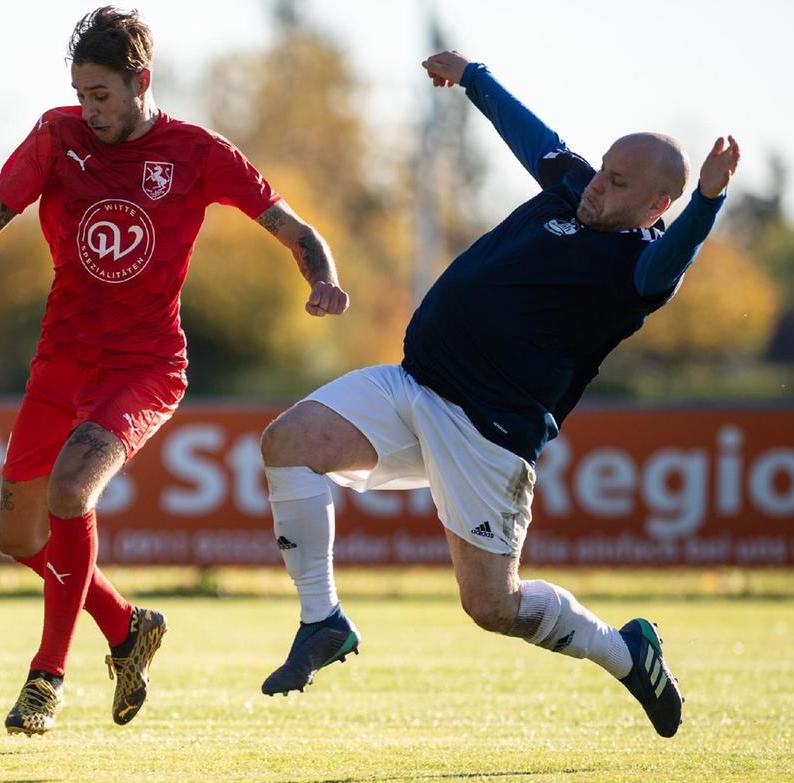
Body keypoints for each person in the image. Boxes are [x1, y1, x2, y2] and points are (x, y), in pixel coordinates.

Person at [0, 6, 349, 736]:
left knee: (71, 490)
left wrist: (319, 278)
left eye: (99, 94)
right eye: (79, 93)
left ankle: (46, 679)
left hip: (144, 367)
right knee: (15, 538)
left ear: (141, 82)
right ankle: (126, 627)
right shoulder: (55, 136)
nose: (87, 109)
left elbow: (297, 231)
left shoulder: (197, 153)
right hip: (61, 360)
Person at [257, 50, 740, 739]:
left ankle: (626, 653)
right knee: (287, 442)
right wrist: (473, 79)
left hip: (488, 432)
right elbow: (533, 138)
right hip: (413, 383)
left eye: (619, 181)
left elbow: (674, 255)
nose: (597, 184)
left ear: (656, 206)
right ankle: (321, 621)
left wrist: (709, 202)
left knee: (492, 606)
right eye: (603, 168)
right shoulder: (576, 189)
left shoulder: (640, 268)